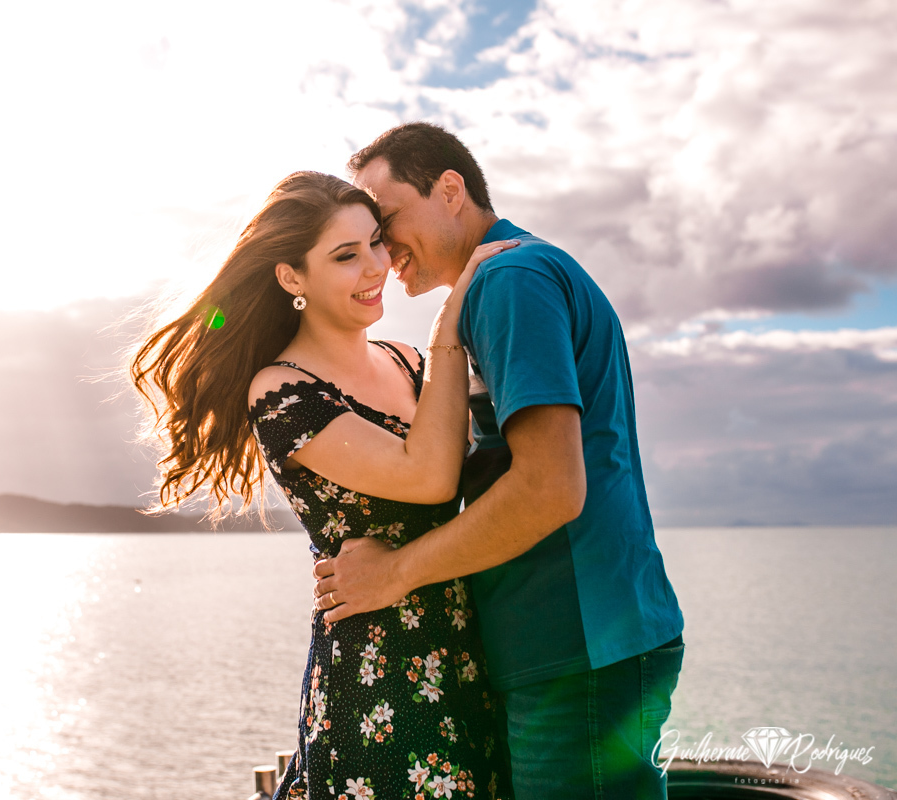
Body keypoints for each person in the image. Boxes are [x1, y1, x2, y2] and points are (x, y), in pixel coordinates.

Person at [310, 122, 686, 800]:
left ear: (450, 191)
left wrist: (392, 575)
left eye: (386, 221)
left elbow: (550, 488)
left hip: (577, 650)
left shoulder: (511, 281)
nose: (380, 250)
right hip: (577, 644)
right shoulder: (502, 283)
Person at [131, 171, 520, 799]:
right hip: (380, 683)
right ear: (292, 278)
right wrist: (449, 323)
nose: (375, 266)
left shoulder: (409, 363)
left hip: (470, 657)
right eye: (345, 256)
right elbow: (428, 475)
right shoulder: (282, 392)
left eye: (375, 243)